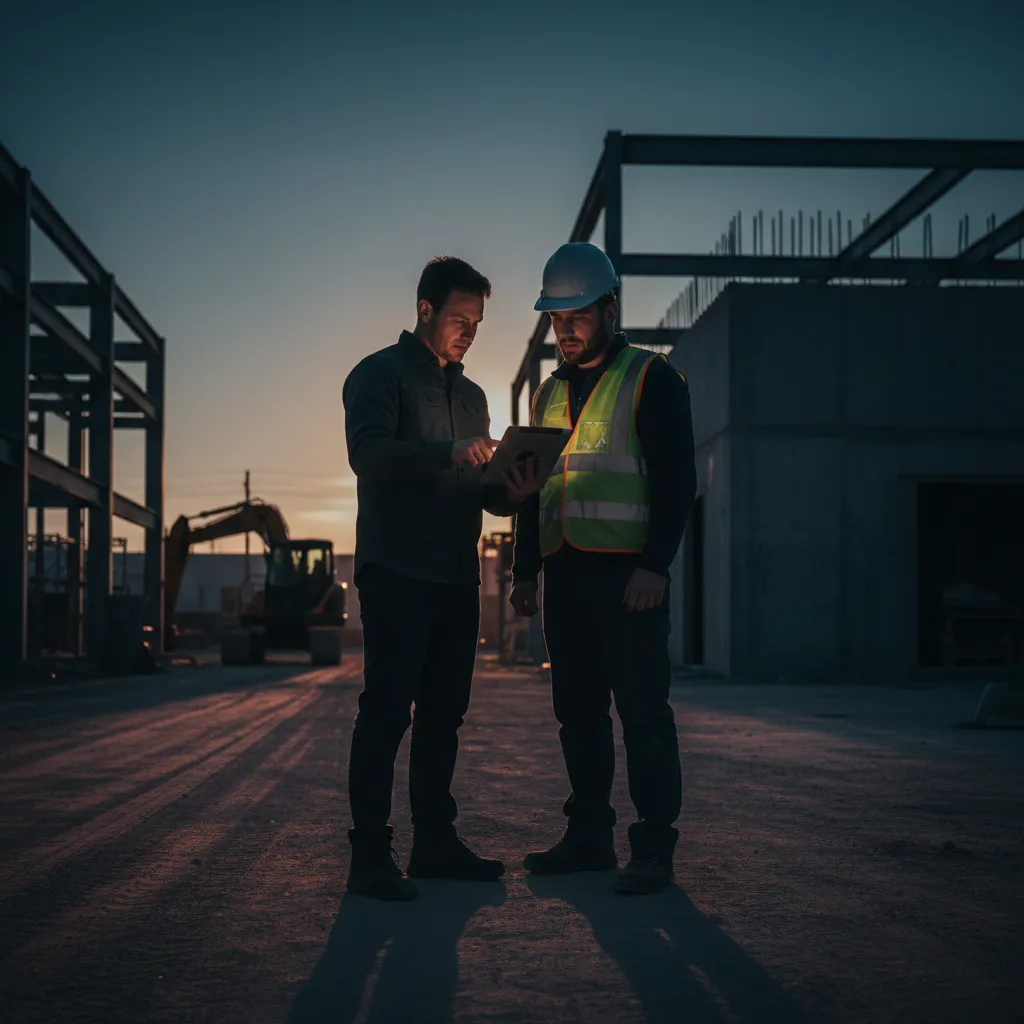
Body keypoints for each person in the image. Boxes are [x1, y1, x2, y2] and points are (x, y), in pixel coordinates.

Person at [343, 256, 542, 901]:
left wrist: (511, 492)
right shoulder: (378, 374)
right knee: (385, 713)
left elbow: (480, 491)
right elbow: (369, 456)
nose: (470, 332)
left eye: (478, 322)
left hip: (457, 576)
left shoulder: (473, 396)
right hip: (398, 572)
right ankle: (370, 857)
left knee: (443, 715)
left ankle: (433, 844)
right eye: (460, 318)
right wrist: (447, 451)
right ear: (425, 310)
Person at [510, 242, 697, 895]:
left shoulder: (651, 378)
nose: (565, 330)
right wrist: (524, 572)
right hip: (565, 576)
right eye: (557, 318)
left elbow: (677, 480)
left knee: (643, 713)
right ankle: (589, 837)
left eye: (578, 315)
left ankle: (653, 848)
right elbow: (530, 491)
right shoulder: (547, 395)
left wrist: (656, 567)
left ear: (610, 309)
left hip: (628, 582)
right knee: (578, 712)